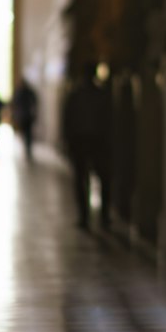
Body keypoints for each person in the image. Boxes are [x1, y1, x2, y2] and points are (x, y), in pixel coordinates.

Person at [61, 64, 112, 231]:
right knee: (98, 178)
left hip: (87, 142)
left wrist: (68, 141)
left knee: (84, 179)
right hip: (93, 142)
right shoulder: (100, 95)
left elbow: (67, 120)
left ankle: (88, 216)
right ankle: (101, 216)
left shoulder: (77, 95)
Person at [11, 77, 38, 160]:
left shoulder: (22, 92)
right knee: (27, 133)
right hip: (26, 115)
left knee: (27, 133)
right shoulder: (26, 92)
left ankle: (27, 147)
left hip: (25, 115)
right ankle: (27, 147)